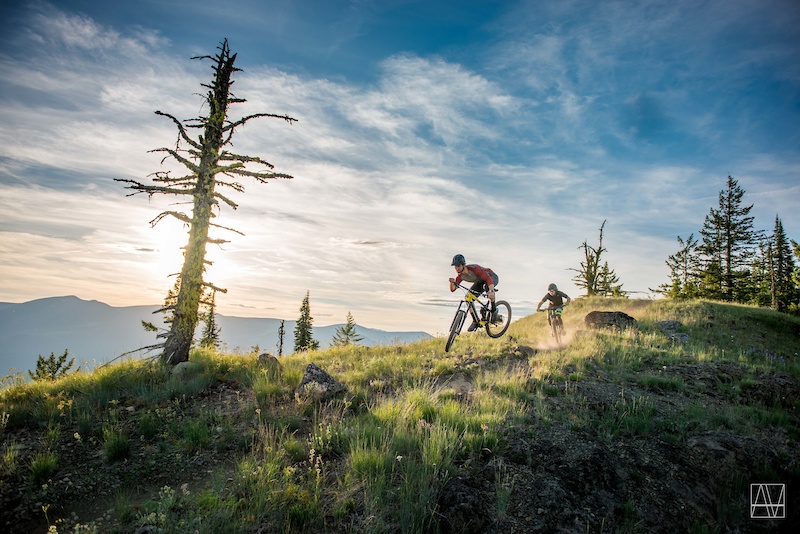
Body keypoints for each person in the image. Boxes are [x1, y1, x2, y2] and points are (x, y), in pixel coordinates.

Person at [448, 254, 499, 331]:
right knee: (467, 297)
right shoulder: (460, 276)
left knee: (487, 289)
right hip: (480, 282)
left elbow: (488, 278)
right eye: (455, 266)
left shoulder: (475, 269)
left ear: (464, 265)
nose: (457, 268)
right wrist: (452, 283)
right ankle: (476, 321)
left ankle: (494, 310)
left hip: (491, 277)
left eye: (458, 266)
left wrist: (491, 291)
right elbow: (453, 289)